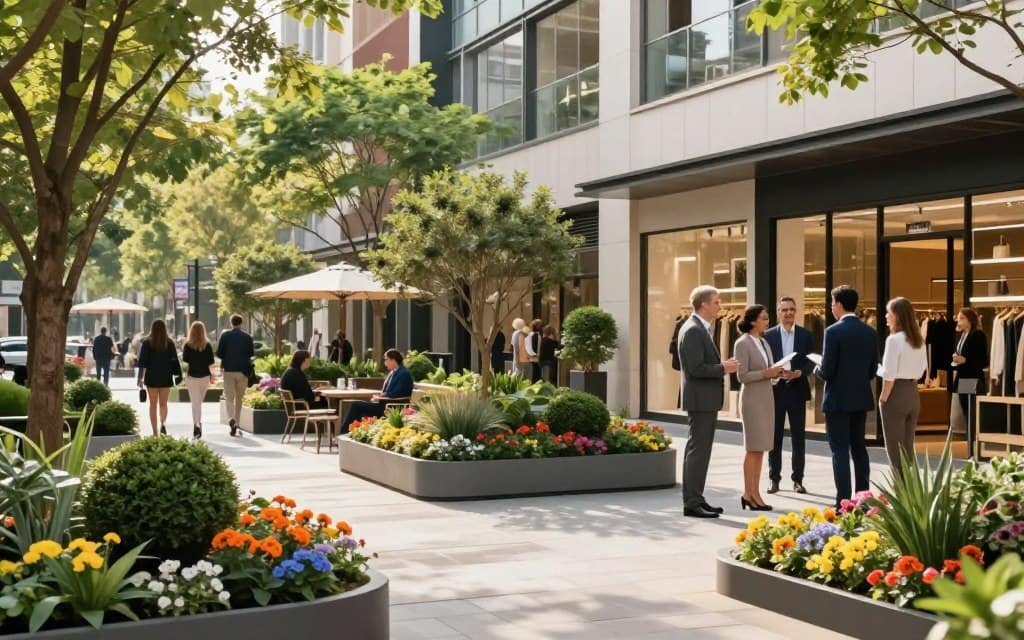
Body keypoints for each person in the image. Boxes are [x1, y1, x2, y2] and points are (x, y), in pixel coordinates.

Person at [814, 285, 879, 509]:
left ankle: (843, 501)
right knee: (859, 449)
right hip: (860, 399)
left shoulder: (832, 332)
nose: (832, 308)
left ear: (839, 304)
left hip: (837, 401)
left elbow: (828, 370)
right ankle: (863, 499)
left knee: (839, 451)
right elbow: (872, 370)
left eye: (832, 303)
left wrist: (817, 369)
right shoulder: (870, 332)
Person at [678, 285, 740, 518]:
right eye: (716, 302)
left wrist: (722, 366)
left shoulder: (700, 328)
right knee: (698, 451)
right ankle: (692, 502)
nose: (720, 306)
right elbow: (695, 368)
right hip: (701, 400)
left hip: (704, 399)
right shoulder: (693, 329)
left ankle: (696, 498)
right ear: (704, 304)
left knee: (700, 450)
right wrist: (724, 367)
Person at [764, 296, 815, 494]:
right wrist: (772, 372)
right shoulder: (768, 336)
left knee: (798, 438)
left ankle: (798, 480)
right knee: (774, 438)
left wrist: (801, 372)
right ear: (778, 312)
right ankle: (774, 479)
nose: (788, 313)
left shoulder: (805, 335)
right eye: (784, 310)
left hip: (797, 390)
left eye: (792, 309)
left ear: (796, 311)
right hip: (775, 391)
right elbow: (764, 363)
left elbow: (811, 361)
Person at [735, 304, 782, 510]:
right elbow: (742, 376)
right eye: (764, 318)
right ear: (753, 321)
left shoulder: (764, 342)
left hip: (766, 398)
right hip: (752, 400)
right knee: (752, 448)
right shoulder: (742, 343)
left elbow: (768, 370)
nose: (767, 321)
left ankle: (753, 493)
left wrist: (778, 374)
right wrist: (766, 374)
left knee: (761, 448)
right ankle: (750, 493)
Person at [879, 297, 928, 475]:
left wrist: (883, 398)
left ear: (897, 316)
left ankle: (899, 493)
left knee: (894, 449)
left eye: (888, 313)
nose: (886, 316)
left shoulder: (893, 340)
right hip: (913, 393)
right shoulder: (919, 340)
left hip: (896, 393)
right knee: (908, 448)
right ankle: (911, 491)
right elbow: (923, 369)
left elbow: (889, 374)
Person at [341, 349, 414, 430]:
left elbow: (397, 393)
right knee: (359, 413)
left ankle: (343, 432)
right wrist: (380, 396)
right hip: (383, 404)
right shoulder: (392, 373)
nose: (385, 363)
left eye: (386, 360)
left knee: (356, 405)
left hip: (390, 407)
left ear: (393, 360)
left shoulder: (404, 373)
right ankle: (352, 434)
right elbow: (388, 391)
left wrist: (382, 396)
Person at [137, 319, 181, 437]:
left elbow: (142, 363)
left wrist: (140, 379)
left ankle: (155, 432)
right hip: (165, 376)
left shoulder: (147, 343)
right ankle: (163, 423)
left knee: (152, 405)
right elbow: (175, 361)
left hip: (151, 377)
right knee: (163, 404)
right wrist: (178, 374)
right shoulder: (169, 343)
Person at [951, 307, 988, 434]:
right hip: (963, 376)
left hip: (972, 377)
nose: (959, 321)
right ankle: (970, 440)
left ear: (970, 320)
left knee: (971, 410)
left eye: (962, 318)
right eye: (958, 318)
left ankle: (973, 442)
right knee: (966, 410)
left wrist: (965, 360)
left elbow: (983, 360)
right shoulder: (962, 334)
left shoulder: (977, 334)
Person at [217, 314, 255, 437]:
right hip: (243, 371)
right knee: (239, 398)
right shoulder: (247, 337)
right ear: (241, 323)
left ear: (231, 322)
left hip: (228, 370)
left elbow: (219, 354)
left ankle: (231, 420)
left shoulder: (225, 336)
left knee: (229, 397)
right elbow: (251, 355)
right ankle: (237, 422)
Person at [182, 321, 215, 440]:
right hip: (205, 377)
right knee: (199, 402)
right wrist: (213, 375)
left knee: (195, 403)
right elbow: (211, 362)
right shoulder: (208, 345)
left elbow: (185, 360)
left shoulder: (187, 345)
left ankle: (196, 425)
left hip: (192, 377)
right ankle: (197, 424)